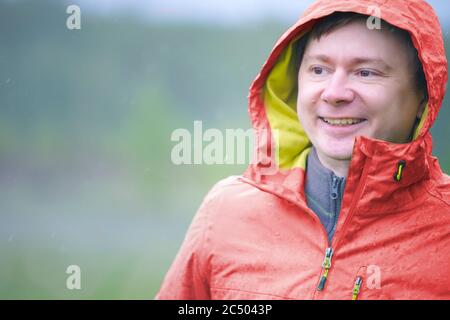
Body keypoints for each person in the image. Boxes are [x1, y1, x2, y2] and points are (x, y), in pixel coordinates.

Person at [156, 0, 449, 300]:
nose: (334, 93)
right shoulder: (225, 212)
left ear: (424, 99)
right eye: (319, 69)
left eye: (366, 73)